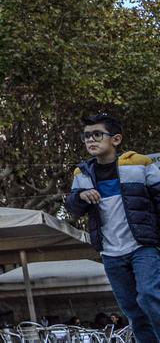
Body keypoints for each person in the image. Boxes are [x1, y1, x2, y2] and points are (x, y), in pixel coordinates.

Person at [66, 113, 160, 343]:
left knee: (149, 296)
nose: (90, 140)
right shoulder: (82, 174)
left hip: (143, 246)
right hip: (110, 252)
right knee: (131, 308)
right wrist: (80, 196)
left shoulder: (139, 163)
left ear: (116, 139)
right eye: (86, 136)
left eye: (97, 135)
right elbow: (72, 207)